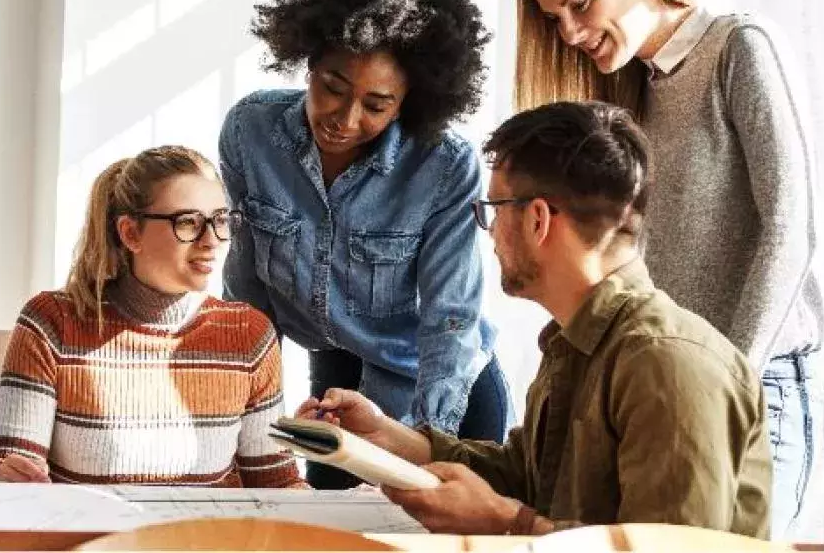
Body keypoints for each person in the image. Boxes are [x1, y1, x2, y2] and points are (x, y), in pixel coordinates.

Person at [300, 101, 771, 537]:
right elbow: (527, 476)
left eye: (492, 210)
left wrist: (506, 524)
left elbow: (666, 551)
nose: (488, 234)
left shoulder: (667, 365)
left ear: (538, 219)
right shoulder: (575, 342)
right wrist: (388, 438)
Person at [512, 0, 822, 536]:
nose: (569, 32)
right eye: (555, 19)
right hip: (668, 393)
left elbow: (790, 230)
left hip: (754, 386)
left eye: (580, 3)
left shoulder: (740, 49)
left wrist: (725, 377)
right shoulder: (633, 94)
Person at [219, 0, 512, 488]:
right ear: (308, 64)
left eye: (377, 105)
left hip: (442, 391)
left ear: (409, 102)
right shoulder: (250, 133)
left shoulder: (444, 167)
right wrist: (245, 426)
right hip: (338, 380)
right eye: (332, 87)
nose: (345, 118)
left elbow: (451, 318)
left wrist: (428, 442)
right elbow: (247, 292)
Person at [0, 146, 305, 489]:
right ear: (130, 233)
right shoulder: (51, 323)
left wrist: (360, 501)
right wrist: (11, 483)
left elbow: (276, 486)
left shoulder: (249, 335)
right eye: (188, 222)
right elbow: (7, 481)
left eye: (220, 220)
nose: (211, 240)